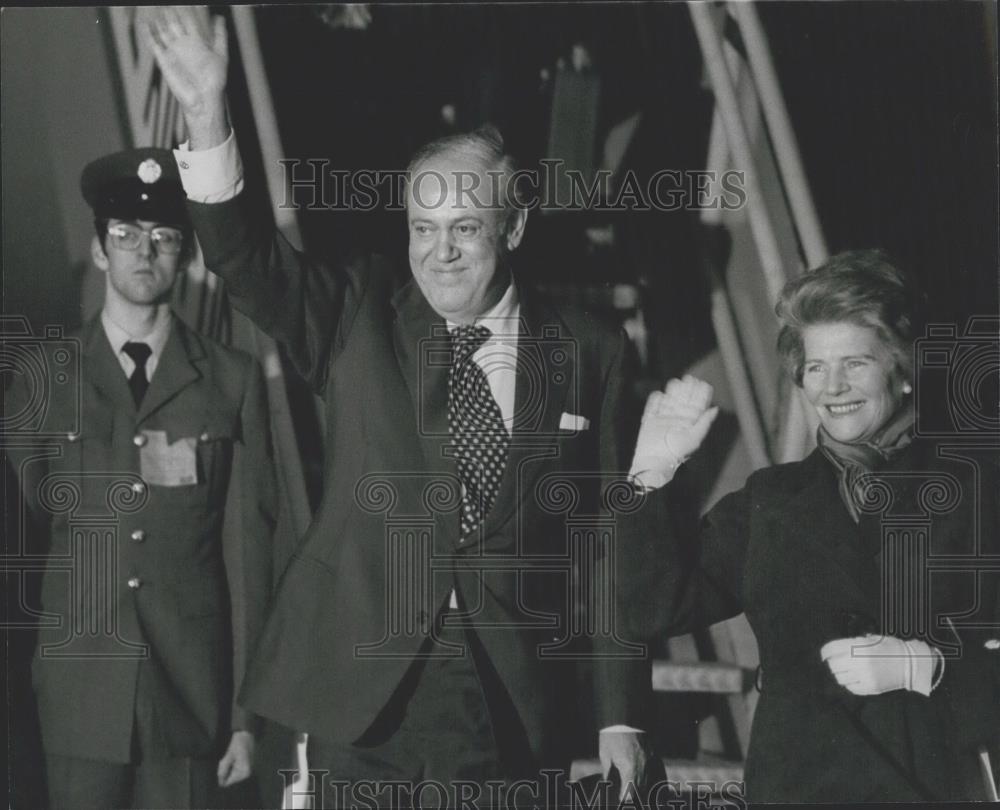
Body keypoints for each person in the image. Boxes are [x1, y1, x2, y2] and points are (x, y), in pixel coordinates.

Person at [137, 7, 717, 806]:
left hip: (504, 698)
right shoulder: (357, 312)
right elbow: (246, 258)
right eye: (422, 227)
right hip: (352, 689)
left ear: (512, 225)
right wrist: (206, 109)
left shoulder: (590, 350)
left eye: (465, 228)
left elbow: (606, 541)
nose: (438, 252)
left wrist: (621, 715)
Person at [624, 249, 1000, 802]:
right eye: (816, 368)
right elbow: (648, 609)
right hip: (799, 788)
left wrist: (931, 666)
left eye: (856, 363)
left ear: (902, 371)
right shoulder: (770, 500)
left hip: (934, 786)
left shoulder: (977, 492)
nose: (833, 386)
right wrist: (647, 480)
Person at [2, 147, 276, 809]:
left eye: (163, 238)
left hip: (189, 701)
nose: (143, 252)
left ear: (184, 256)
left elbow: (247, 560)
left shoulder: (230, 380)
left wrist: (246, 716)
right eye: (124, 236)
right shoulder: (43, 379)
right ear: (99, 251)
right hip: (77, 698)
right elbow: (21, 543)